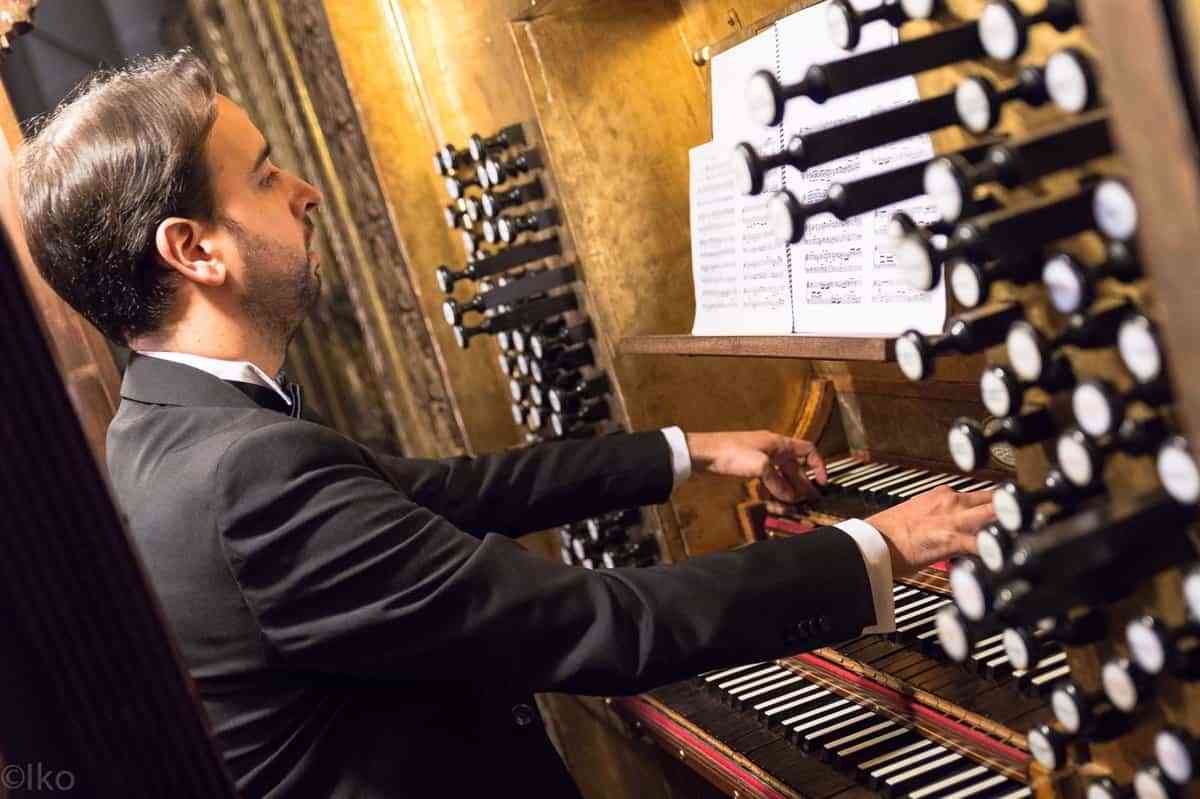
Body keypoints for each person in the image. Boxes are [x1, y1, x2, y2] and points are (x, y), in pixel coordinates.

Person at [14, 51, 993, 798]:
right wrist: (875, 544)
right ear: (194, 249)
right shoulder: (245, 476)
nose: (308, 191)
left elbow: (444, 494)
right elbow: (603, 624)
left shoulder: (171, 429)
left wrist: (686, 451)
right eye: (267, 176)